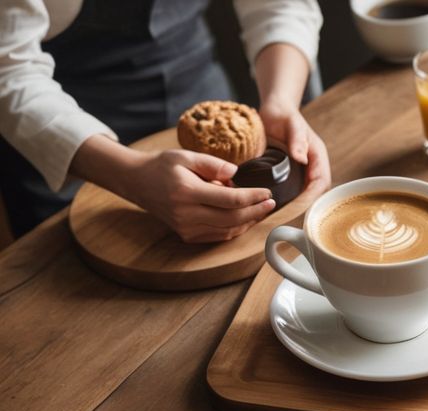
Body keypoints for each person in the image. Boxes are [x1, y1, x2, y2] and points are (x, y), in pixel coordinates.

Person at [0, 0, 331, 242]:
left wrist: (281, 101)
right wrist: (130, 175)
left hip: (196, 82)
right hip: (61, 137)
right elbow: (9, 70)